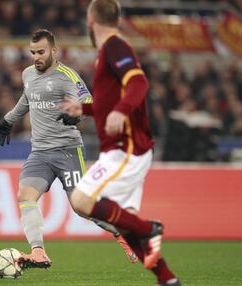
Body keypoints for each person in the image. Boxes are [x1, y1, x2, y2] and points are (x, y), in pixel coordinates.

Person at [59, 1, 181, 286]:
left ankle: (150, 229)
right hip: (129, 148)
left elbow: (139, 83)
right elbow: (111, 99)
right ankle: (168, 279)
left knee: (81, 200)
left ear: (91, 19)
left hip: (125, 149)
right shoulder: (109, 51)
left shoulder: (114, 46)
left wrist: (120, 111)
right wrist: (86, 110)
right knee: (123, 223)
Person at [0, 29, 132, 269]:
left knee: (81, 207)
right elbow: (27, 99)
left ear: (53, 51)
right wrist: (8, 121)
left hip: (67, 150)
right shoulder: (28, 74)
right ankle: (38, 253)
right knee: (25, 196)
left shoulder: (66, 75)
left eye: (41, 52)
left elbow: (88, 101)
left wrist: (76, 117)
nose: (36, 56)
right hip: (39, 152)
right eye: (33, 52)